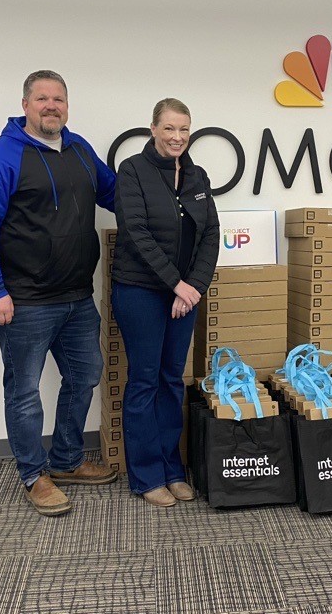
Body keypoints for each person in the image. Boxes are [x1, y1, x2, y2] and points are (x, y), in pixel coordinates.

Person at [0, 70, 118, 516]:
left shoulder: (80, 149)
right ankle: (34, 475)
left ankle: (66, 460)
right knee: (25, 391)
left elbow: (114, 193)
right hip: (23, 301)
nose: (52, 106)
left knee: (85, 374)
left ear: (67, 106)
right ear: (26, 104)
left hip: (76, 297)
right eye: (43, 99)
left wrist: (160, 205)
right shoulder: (0, 156)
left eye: (59, 99)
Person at [111, 98, 220, 507]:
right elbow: (136, 233)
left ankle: (173, 469)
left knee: (172, 380)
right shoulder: (133, 171)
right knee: (145, 379)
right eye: (170, 128)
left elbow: (211, 233)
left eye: (185, 130)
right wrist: (176, 284)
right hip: (140, 291)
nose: (177, 137)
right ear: (153, 129)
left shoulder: (197, 175)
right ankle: (145, 475)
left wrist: (192, 286)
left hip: (183, 295)